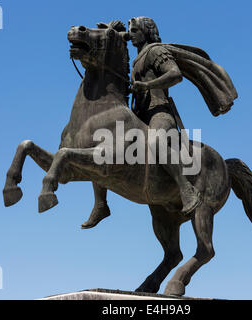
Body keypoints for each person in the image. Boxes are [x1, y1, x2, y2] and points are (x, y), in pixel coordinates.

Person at [81, 17, 203, 229]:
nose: (132, 34)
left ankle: (186, 188)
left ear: (147, 31)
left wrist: (147, 86)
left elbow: (175, 75)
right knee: (101, 148)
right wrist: (112, 30)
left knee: (156, 142)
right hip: (140, 114)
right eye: (131, 30)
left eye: (135, 30)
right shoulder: (138, 57)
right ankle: (101, 204)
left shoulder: (155, 51)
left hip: (159, 112)